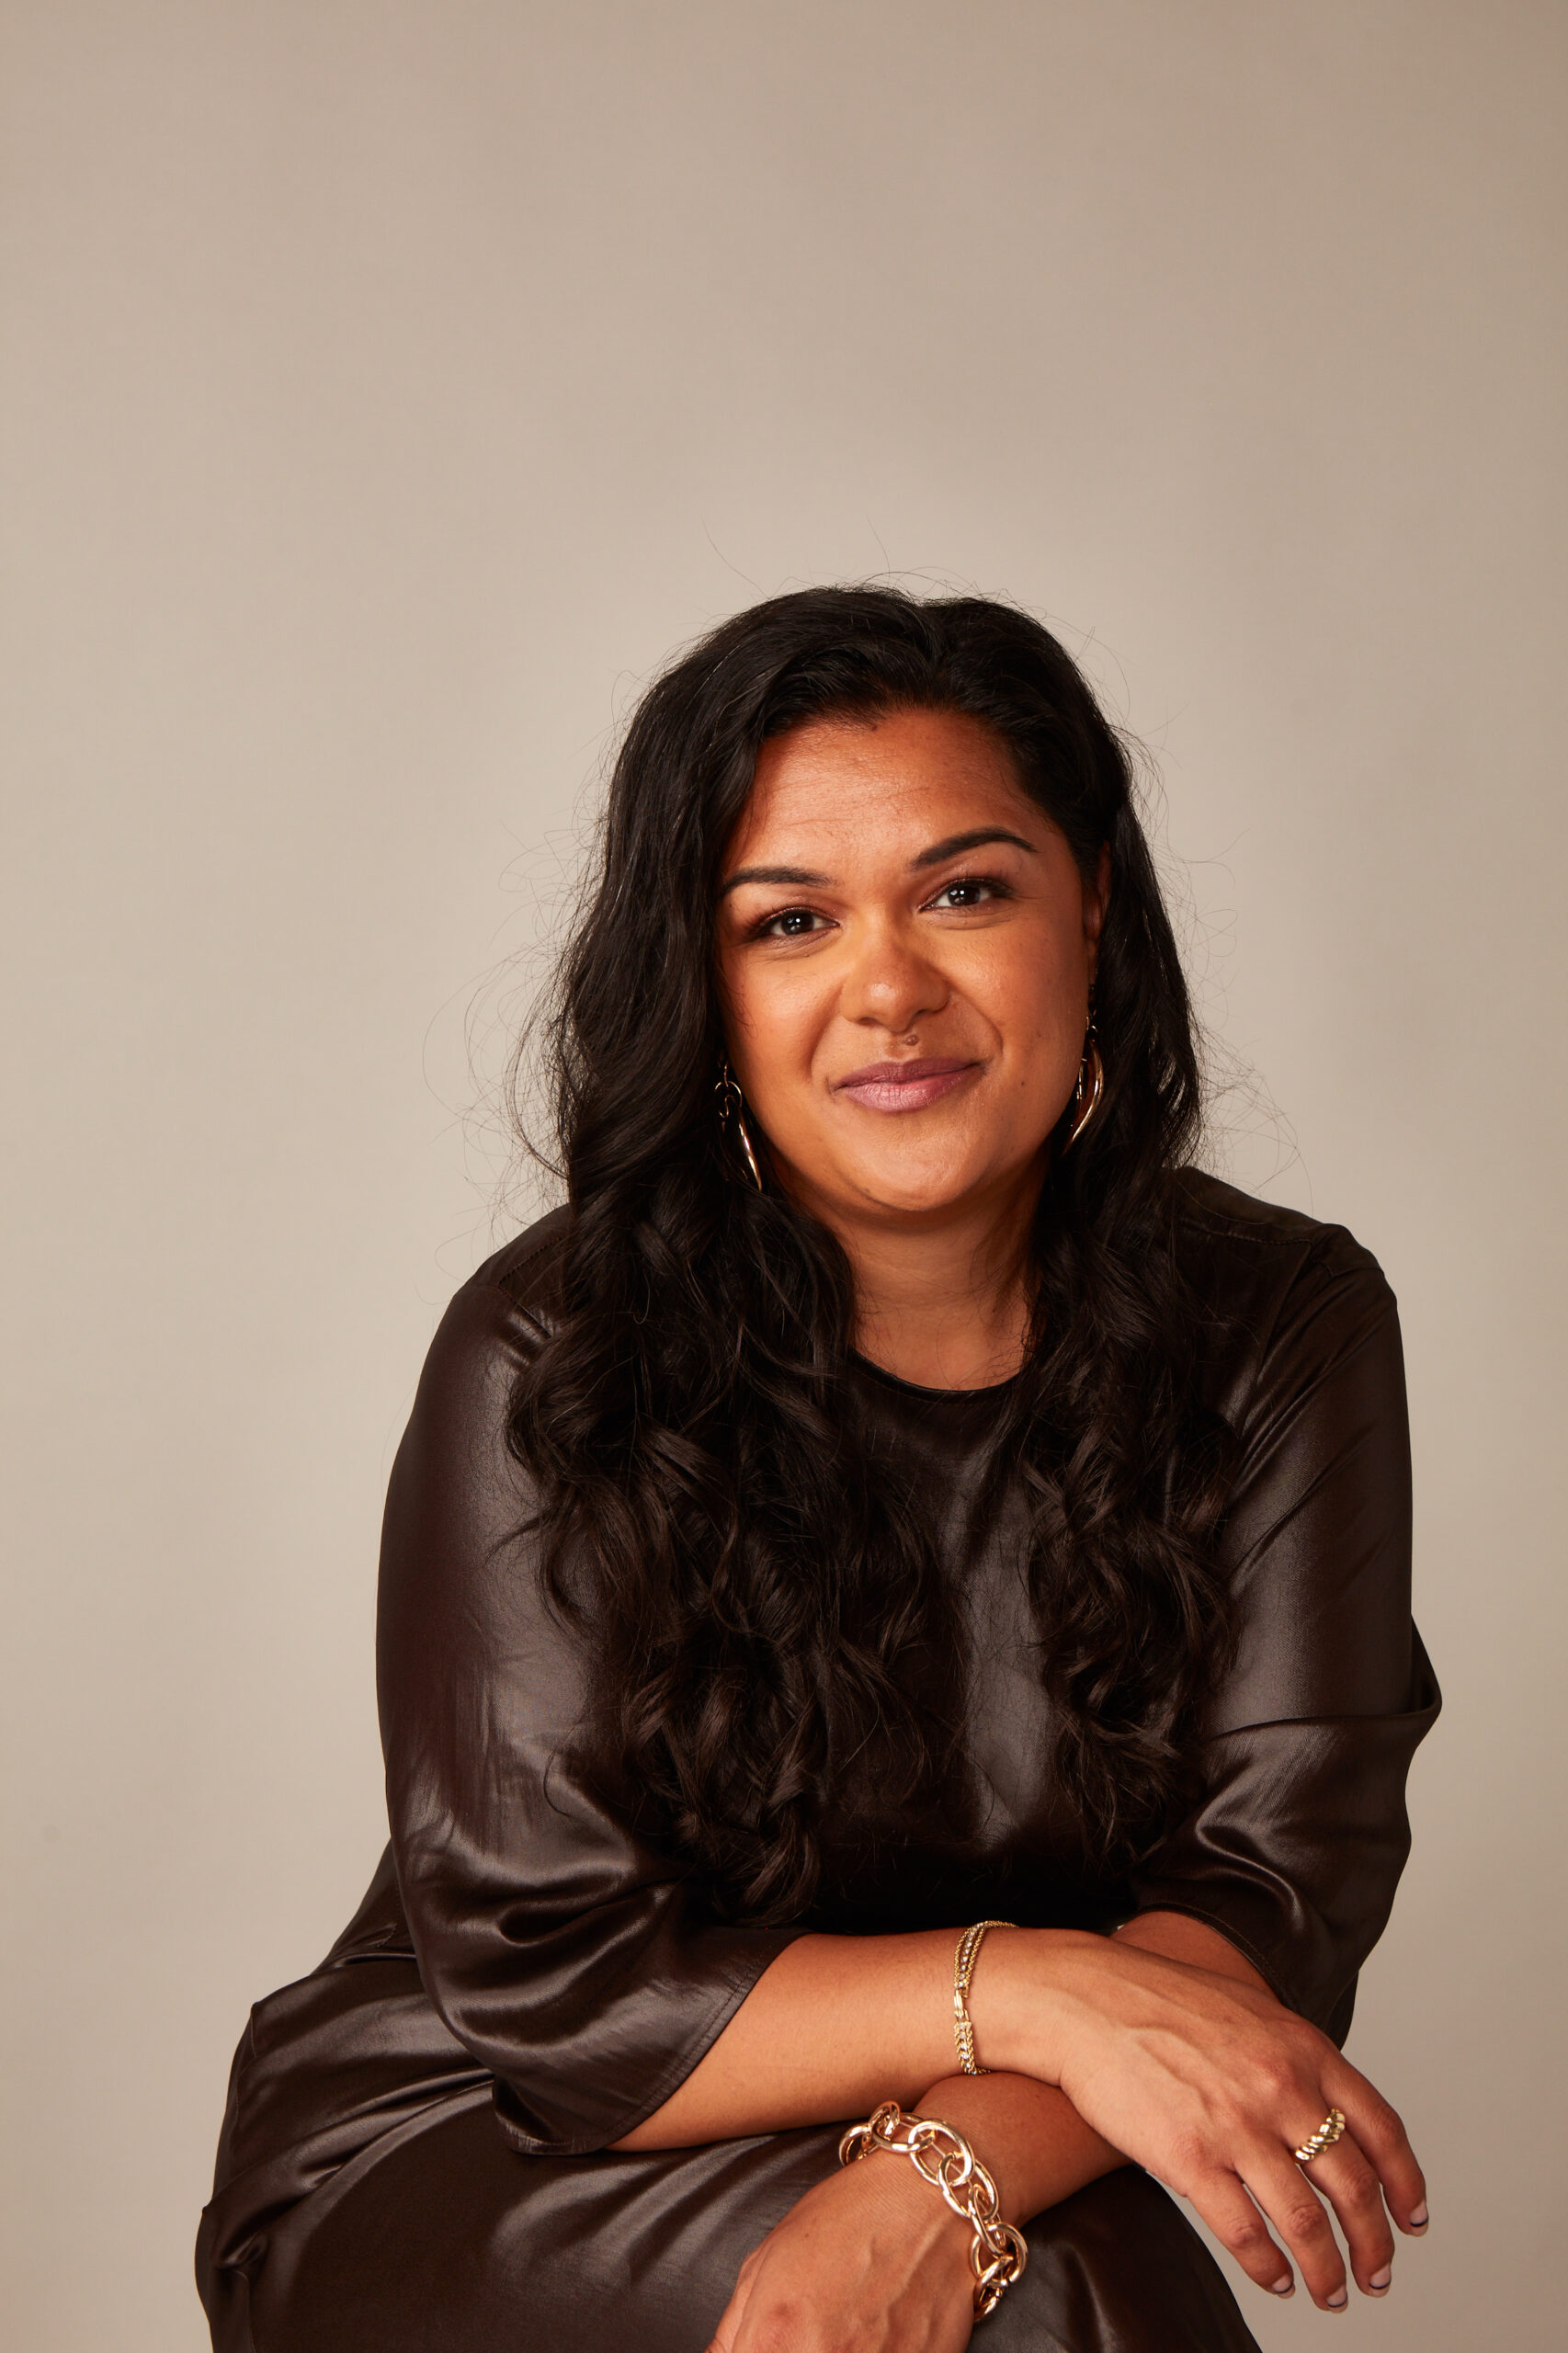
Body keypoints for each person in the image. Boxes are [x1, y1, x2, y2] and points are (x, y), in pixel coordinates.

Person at [197, 586, 1437, 2353]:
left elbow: (1273, 1891)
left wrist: (948, 2172)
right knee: (1074, 2306)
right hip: (493, 2123)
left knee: (1068, 2285)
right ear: (704, 984)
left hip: (963, 2098)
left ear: (1089, 895)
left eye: (964, 889)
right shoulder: (550, 1352)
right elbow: (562, 1987)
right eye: (789, 922)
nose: (887, 987)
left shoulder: (1282, 1321)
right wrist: (1036, 1990)